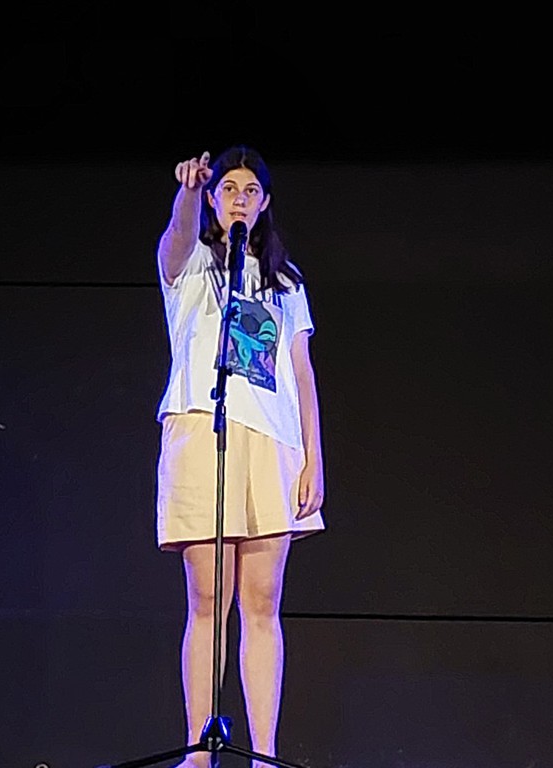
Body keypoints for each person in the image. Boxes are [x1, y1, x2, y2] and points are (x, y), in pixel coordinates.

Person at [154, 145, 326, 768]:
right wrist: (185, 194)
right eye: (228, 188)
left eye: (251, 191)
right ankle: (200, 751)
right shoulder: (191, 263)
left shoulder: (286, 281)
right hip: (204, 427)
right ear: (212, 197)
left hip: (270, 440)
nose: (239, 199)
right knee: (207, 600)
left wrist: (313, 458)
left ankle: (264, 754)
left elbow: (301, 372)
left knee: (261, 602)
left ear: (265, 203)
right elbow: (175, 239)